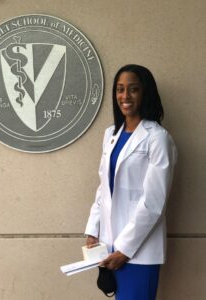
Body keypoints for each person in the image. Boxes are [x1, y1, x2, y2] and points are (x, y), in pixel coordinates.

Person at [85, 64, 177, 300]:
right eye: (120, 89)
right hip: (109, 247)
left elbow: (154, 202)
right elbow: (103, 188)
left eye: (133, 89)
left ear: (145, 92)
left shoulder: (158, 138)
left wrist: (125, 250)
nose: (125, 96)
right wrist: (93, 231)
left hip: (138, 250)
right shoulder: (110, 134)